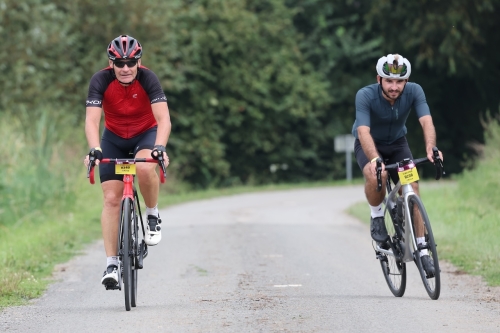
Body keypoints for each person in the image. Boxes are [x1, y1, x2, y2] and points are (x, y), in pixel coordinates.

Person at [83, 35, 171, 287]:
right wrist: (94, 148)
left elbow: (163, 119)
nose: (125, 68)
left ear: (138, 62)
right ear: (110, 63)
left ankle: (152, 214)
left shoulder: (148, 79)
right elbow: (91, 120)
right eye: (119, 63)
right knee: (111, 199)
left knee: (144, 168)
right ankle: (112, 263)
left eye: (130, 63)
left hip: (145, 134)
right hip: (113, 138)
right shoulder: (100, 80)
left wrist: (159, 147)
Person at [351, 53, 443, 276]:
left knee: (413, 187)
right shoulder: (365, 95)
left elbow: (426, 120)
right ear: (378, 79)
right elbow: (363, 131)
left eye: (399, 81)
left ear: (406, 81)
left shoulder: (415, 91)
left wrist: (432, 148)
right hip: (369, 144)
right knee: (377, 176)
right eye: (389, 80)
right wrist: (375, 159)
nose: (394, 86)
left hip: (398, 144)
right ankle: (377, 216)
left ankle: (422, 250)